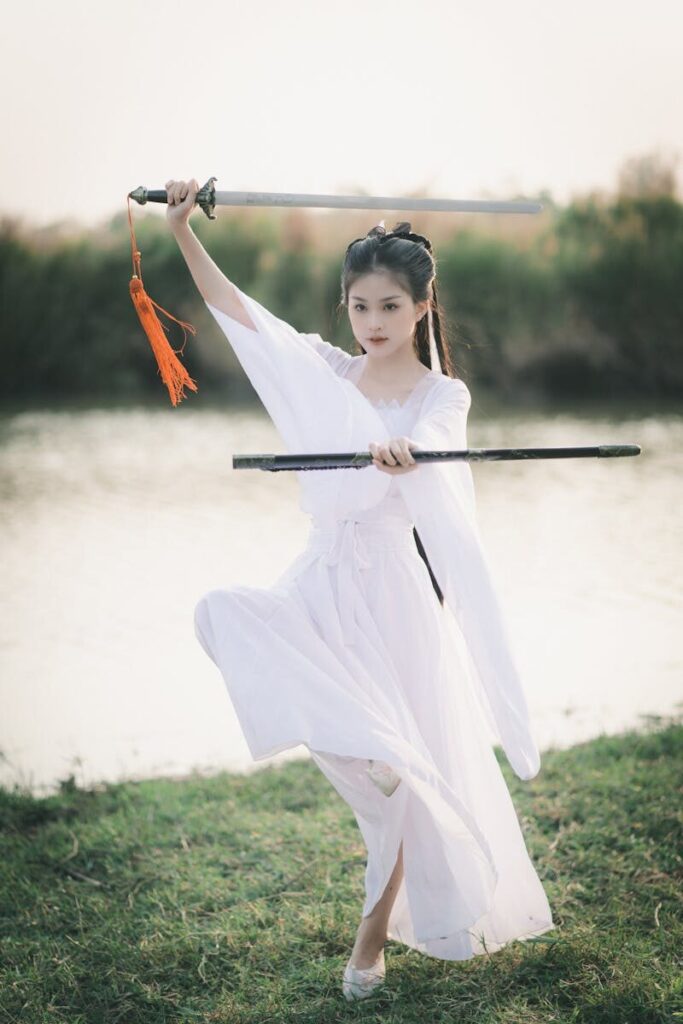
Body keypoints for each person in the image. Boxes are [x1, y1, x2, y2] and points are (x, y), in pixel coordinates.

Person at [166, 178, 555, 1001]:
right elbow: (243, 316)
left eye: (387, 306)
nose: (371, 323)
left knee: (410, 775)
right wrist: (180, 233)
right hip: (322, 573)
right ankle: (363, 754)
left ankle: (370, 940)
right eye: (358, 306)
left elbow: (438, 444)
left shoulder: (439, 395)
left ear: (420, 306)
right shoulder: (327, 372)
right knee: (222, 616)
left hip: (393, 593)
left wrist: (406, 454)